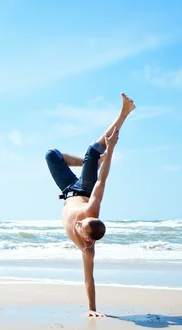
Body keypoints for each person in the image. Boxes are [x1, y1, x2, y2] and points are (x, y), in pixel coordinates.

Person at [45, 93, 136, 317]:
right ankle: (123, 114)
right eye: (82, 221)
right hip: (84, 189)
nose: (78, 223)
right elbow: (103, 180)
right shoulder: (90, 209)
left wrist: (92, 309)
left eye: (80, 227)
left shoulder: (87, 249)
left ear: (86, 238)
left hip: (67, 190)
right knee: (92, 153)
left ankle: (91, 162)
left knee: (51, 156)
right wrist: (111, 149)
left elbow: (89, 278)